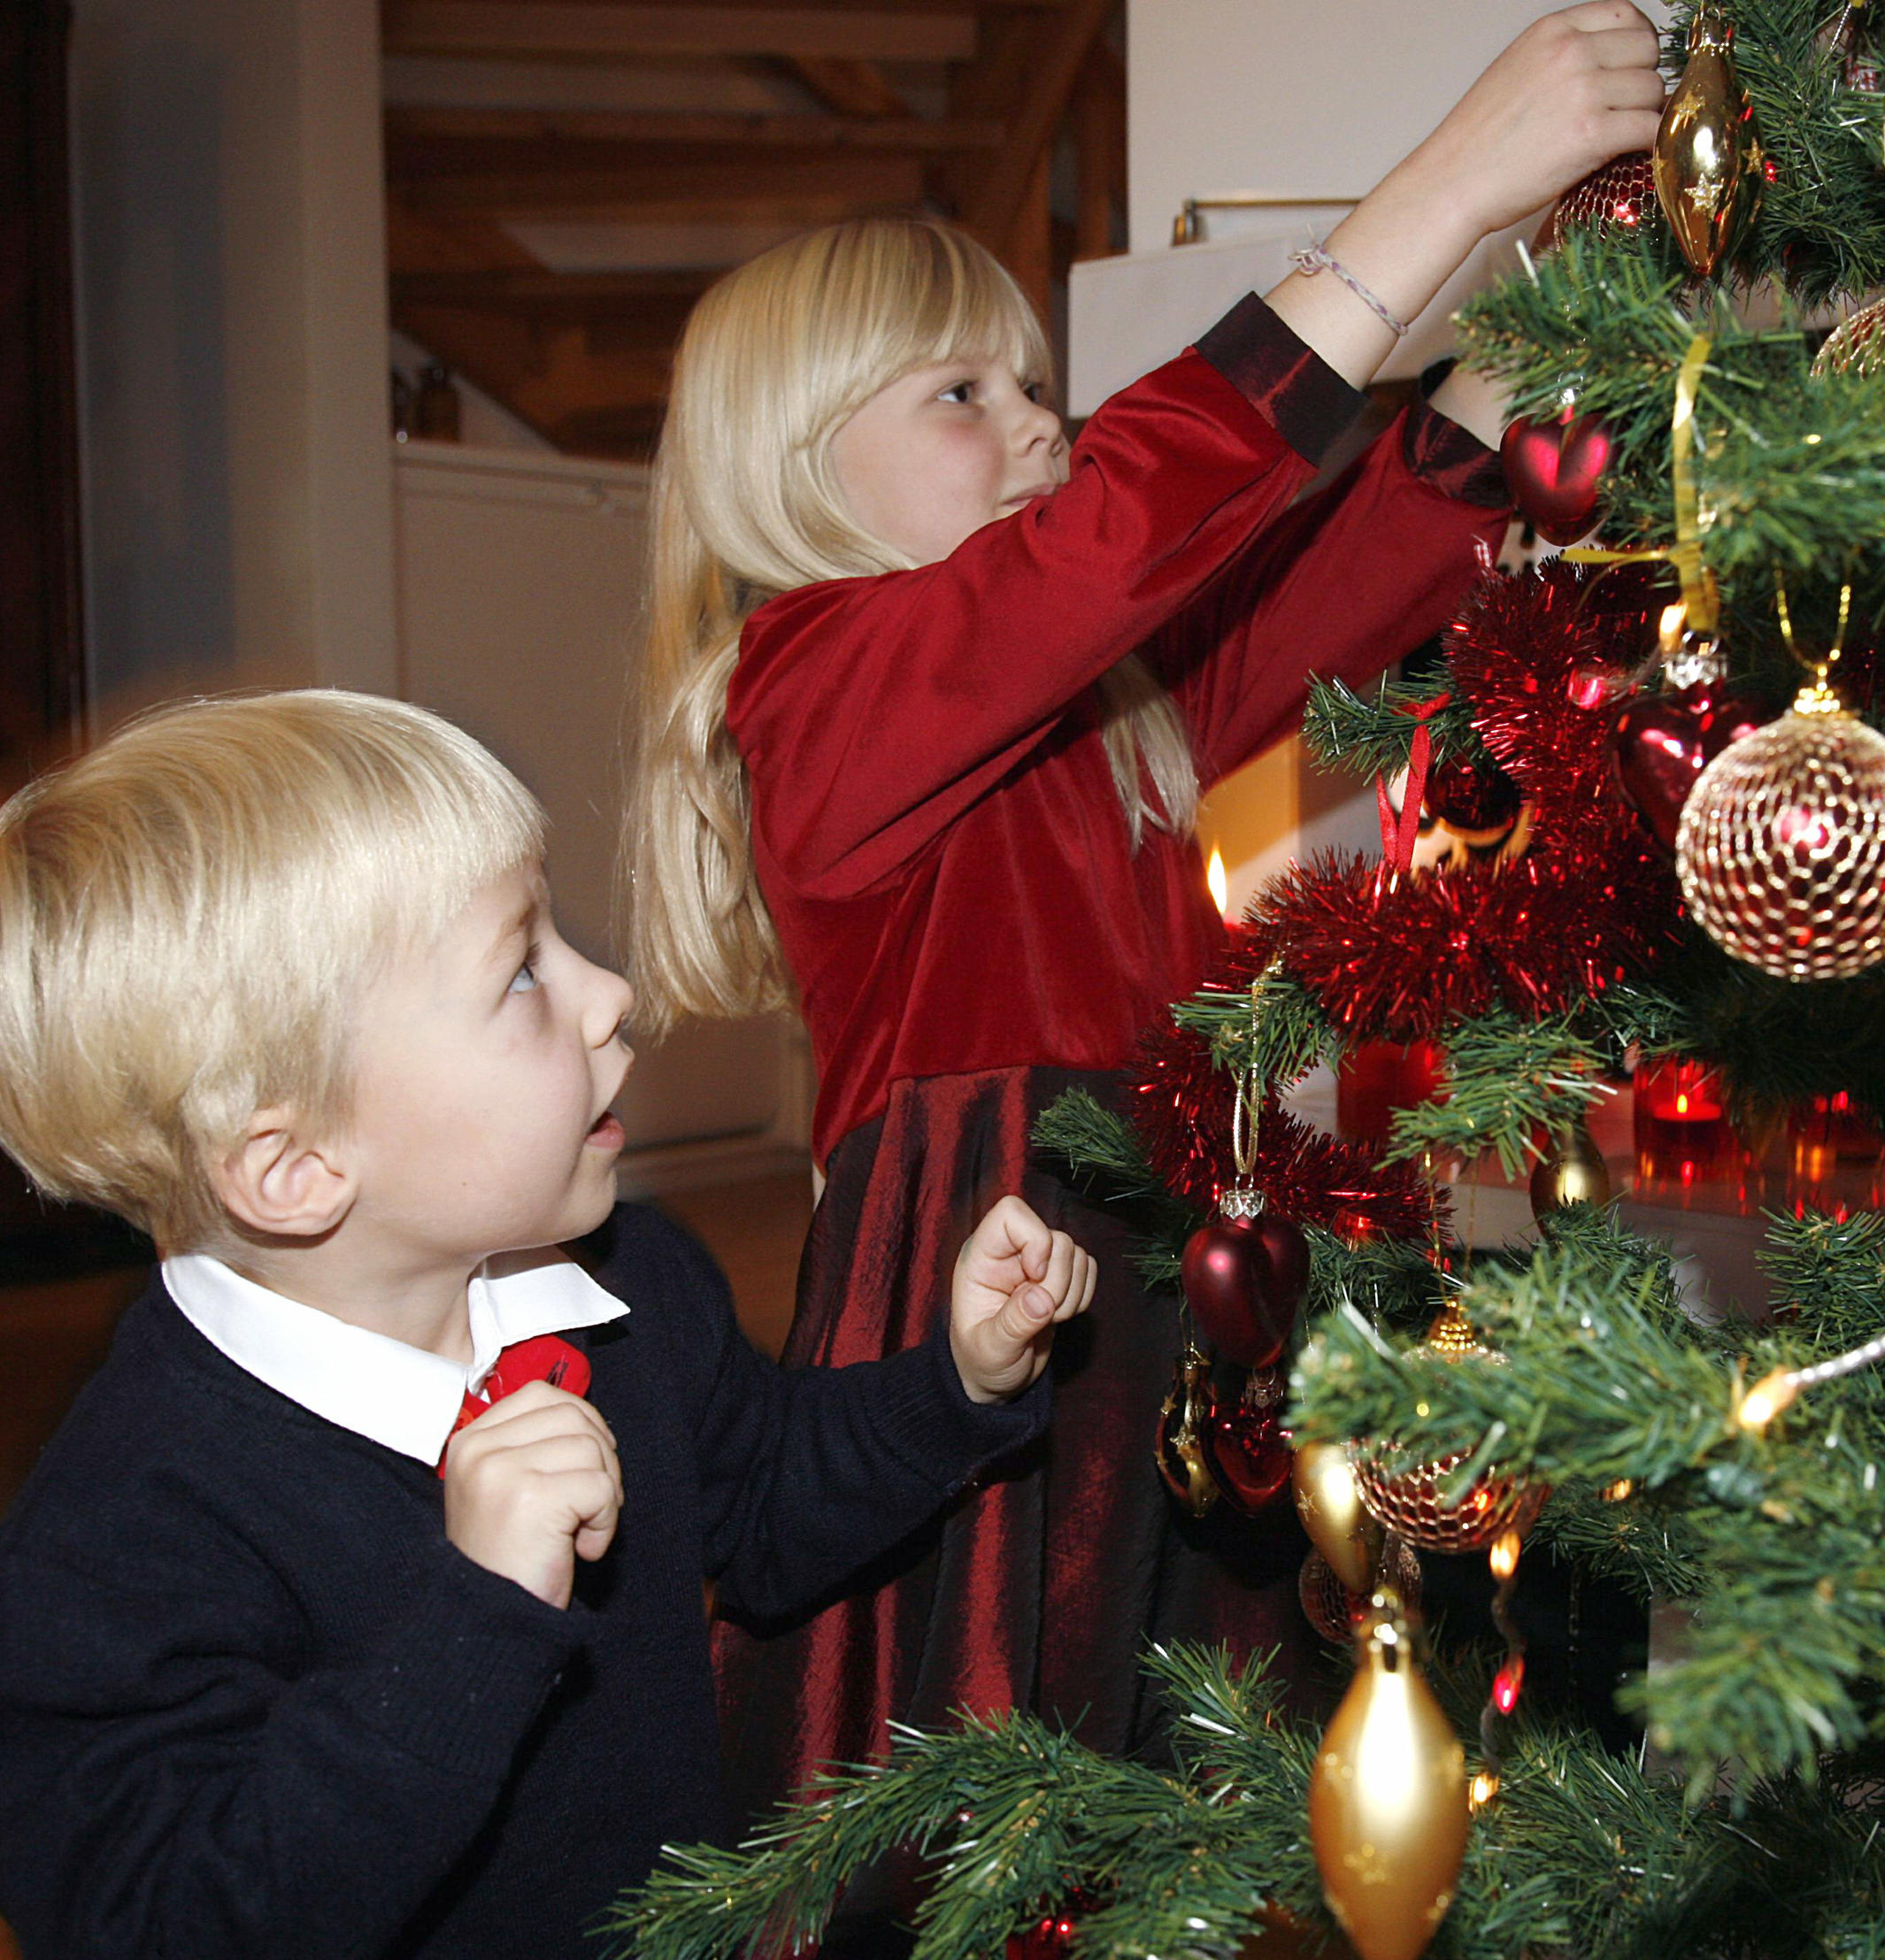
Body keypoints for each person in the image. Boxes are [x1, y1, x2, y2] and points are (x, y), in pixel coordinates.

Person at [626, 0, 1664, 1831]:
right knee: (980, 1817)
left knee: (1198, 1803)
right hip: (988, 1325)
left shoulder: (1117, 720)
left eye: (1040, 385)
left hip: (1193, 1291)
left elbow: (1361, 558)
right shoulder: (813, 686)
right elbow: (1105, 544)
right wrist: (1434, 192)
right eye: (966, 393)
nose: (1039, 421)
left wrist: (1558, 253)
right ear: (791, 467)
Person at [0, 690, 1095, 1960]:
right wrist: (477, 1618)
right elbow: (169, 1923)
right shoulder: (120, 1540)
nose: (609, 991)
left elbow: (765, 1509)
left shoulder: (626, 1282)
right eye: (521, 970)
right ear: (296, 1169)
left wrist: (954, 1381)